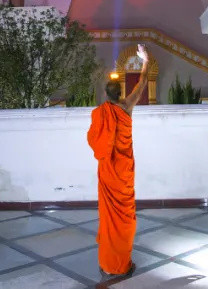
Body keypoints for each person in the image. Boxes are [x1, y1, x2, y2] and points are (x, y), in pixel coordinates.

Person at [86, 44, 152, 279]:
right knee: (124, 219)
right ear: (121, 93)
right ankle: (122, 264)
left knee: (108, 219)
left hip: (109, 171)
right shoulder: (127, 107)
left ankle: (107, 264)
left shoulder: (100, 113)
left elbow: (93, 140)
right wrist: (145, 60)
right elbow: (143, 83)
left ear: (106, 94)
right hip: (123, 174)